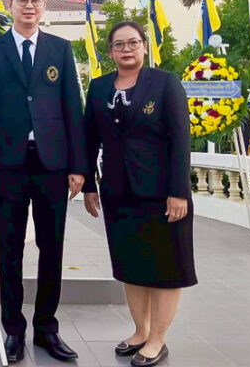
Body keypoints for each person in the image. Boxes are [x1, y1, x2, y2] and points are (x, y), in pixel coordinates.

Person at [0, 0, 87, 363]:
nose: (29, 6)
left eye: (36, 0)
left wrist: (78, 166)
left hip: (52, 164)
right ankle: (13, 330)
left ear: (44, 6)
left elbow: (72, 109)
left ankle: (46, 329)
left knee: (51, 247)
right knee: (10, 249)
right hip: (8, 166)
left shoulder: (59, 49)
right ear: (10, 5)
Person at [83, 21, 196, 367]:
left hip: (162, 194)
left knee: (165, 267)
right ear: (110, 51)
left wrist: (179, 192)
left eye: (133, 42)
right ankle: (140, 331)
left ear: (144, 46)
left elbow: (181, 139)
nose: (126, 49)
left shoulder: (165, 83)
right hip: (118, 193)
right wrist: (89, 185)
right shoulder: (99, 87)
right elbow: (90, 140)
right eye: (119, 44)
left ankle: (158, 339)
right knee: (131, 265)